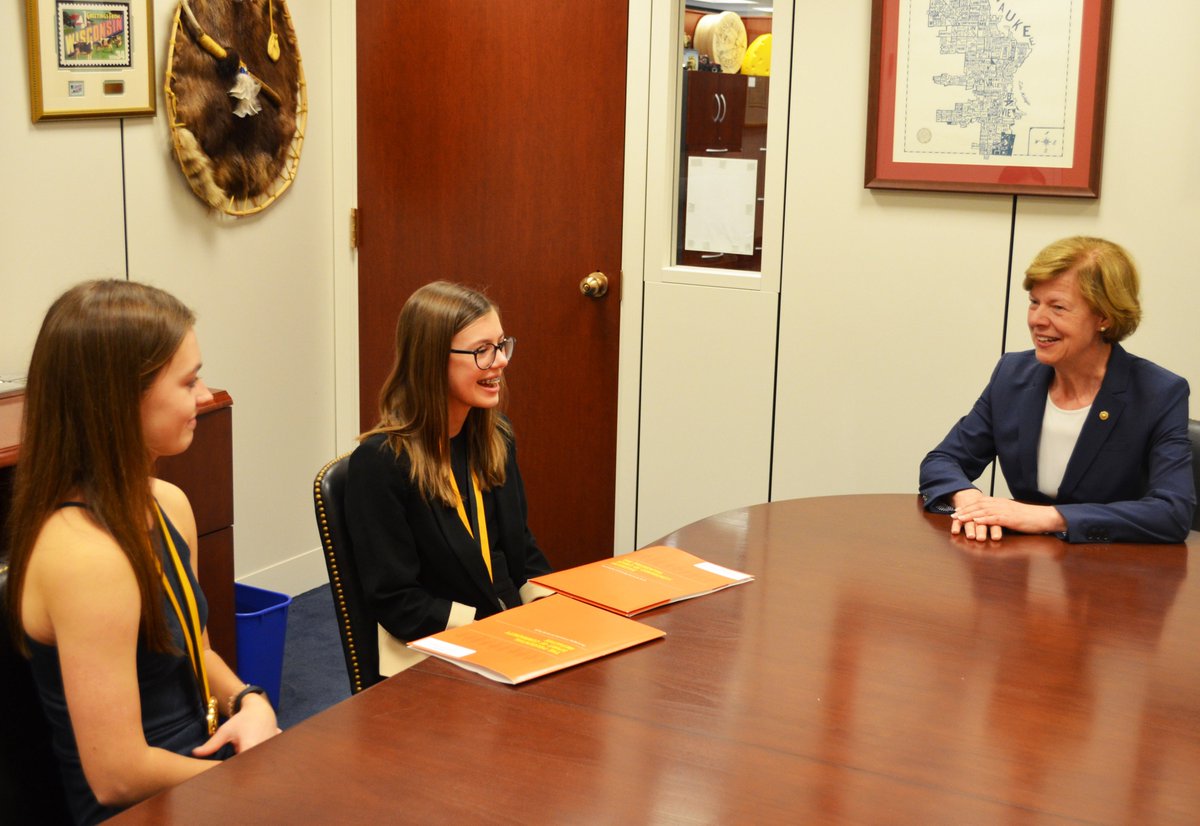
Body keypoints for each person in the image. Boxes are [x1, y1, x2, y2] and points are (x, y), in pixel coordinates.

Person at [4, 280, 279, 824]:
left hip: (198, 777)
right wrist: (253, 782)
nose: (205, 396)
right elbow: (118, 775)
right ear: (120, 400)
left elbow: (195, 651)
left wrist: (249, 700)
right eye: (188, 381)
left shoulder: (167, 502)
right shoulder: (85, 556)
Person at [920, 236, 1195, 544]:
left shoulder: (1159, 393)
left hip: (1109, 565)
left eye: (1058, 307)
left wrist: (1049, 517)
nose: (1037, 320)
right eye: (1034, 302)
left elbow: (1172, 513)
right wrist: (970, 501)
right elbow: (943, 460)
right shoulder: (1012, 375)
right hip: (1019, 560)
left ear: (1104, 317)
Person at [346, 281, 553, 676]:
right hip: (434, 650)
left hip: (507, 631)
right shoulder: (381, 464)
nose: (500, 361)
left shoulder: (496, 437)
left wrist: (550, 608)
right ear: (432, 360)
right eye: (482, 351)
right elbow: (397, 601)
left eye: (501, 345)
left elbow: (521, 550)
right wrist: (492, 632)